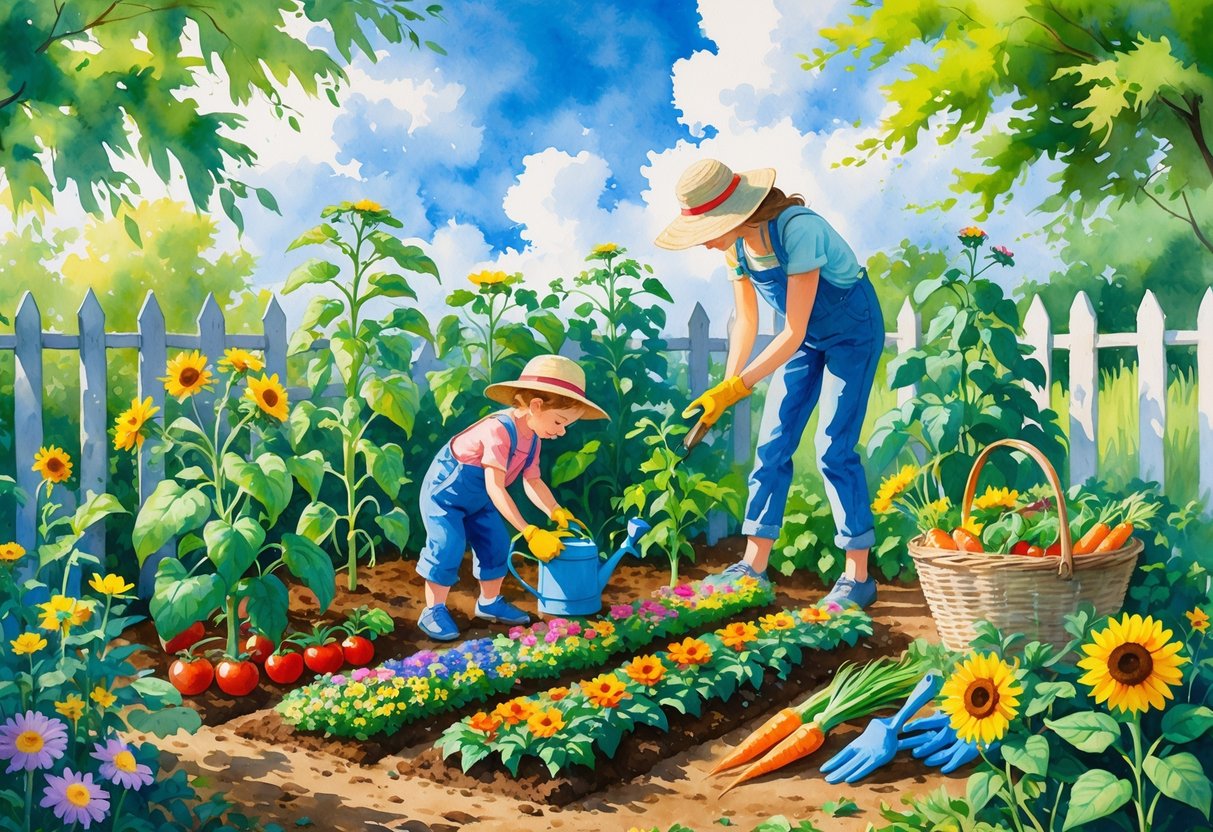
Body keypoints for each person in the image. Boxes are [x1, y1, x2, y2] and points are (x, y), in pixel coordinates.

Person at [655, 159, 884, 609]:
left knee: (833, 448)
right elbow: (746, 320)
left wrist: (740, 385)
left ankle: (858, 575)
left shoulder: (799, 231)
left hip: (852, 331)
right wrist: (722, 389)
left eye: (708, 227)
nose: (703, 242)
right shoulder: (735, 249)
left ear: (738, 214)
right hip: (802, 338)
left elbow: (793, 329)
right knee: (773, 443)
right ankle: (753, 567)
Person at [415, 354, 608, 640]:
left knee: (496, 543)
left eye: (566, 425)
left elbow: (532, 480)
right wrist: (529, 531)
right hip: (445, 496)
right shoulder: (498, 430)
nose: (562, 431)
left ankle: (489, 603)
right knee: (447, 545)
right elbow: (495, 487)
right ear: (536, 406)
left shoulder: (532, 439)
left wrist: (555, 511)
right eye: (559, 421)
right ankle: (432, 610)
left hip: (480, 500)